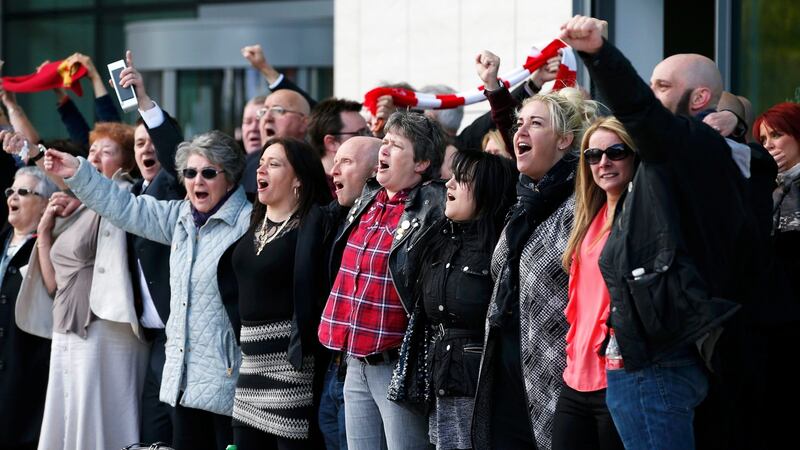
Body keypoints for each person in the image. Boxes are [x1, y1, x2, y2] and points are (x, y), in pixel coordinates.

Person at [560, 15, 760, 450]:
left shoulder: (690, 146)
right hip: (647, 357)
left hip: (659, 360)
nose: (652, 95)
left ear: (699, 97)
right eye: (593, 155)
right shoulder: (679, 157)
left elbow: (638, 111)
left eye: (662, 87)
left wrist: (598, 54)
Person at [43, 130, 251, 450]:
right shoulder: (180, 217)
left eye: (209, 173)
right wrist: (78, 173)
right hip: (182, 383)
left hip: (229, 386)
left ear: (231, 177)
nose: (198, 181)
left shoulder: (248, 222)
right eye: (190, 173)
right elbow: (125, 207)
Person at [471, 47, 598, 450]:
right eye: (518, 124)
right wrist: (493, 87)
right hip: (504, 364)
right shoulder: (525, 200)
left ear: (565, 140)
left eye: (534, 124)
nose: (519, 132)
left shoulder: (584, 200)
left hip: (559, 373)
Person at [11, 122, 150, 450]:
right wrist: (44, 235)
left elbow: (90, 187)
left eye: (108, 152)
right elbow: (53, 285)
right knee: (67, 424)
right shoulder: (76, 207)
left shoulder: (124, 196)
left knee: (97, 425)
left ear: (126, 164)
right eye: (92, 152)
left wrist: (30, 151)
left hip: (104, 328)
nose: (97, 157)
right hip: (65, 327)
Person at [318, 111, 446, 450]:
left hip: (395, 362)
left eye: (396, 145)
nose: (384, 151)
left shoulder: (434, 205)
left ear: (422, 163)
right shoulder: (369, 197)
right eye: (384, 143)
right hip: (353, 357)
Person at [394, 150, 516, 450]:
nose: (448, 184)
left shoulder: (503, 246)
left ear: (488, 190)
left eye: (461, 179)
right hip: (440, 379)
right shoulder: (438, 238)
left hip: (481, 385)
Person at [230, 137, 332, 449]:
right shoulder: (254, 221)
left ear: (298, 179)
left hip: (291, 362)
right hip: (250, 364)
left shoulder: (314, 224)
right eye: (261, 162)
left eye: (274, 164)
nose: (261, 168)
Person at [554, 117, 634, 450]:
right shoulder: (588, 216)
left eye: (615, 152)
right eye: (593, 155)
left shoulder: (643, 215)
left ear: (634, 155)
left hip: (620, 377)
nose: (603, 162)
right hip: (575, 377)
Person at [319, 135, 381, 450]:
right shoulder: (336, 217)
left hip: (372, 362)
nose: (334, 170)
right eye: (335, 160)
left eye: (347, 162)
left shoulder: (385, 225)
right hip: (337, 360)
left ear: (375, 171)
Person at [0, 167, 58, 449]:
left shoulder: (50, 245)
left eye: (24, 192)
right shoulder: (1, 241)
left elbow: (55, 291)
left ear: (46, 203)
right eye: (11, 190)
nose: (14, 196)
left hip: (28, 369)